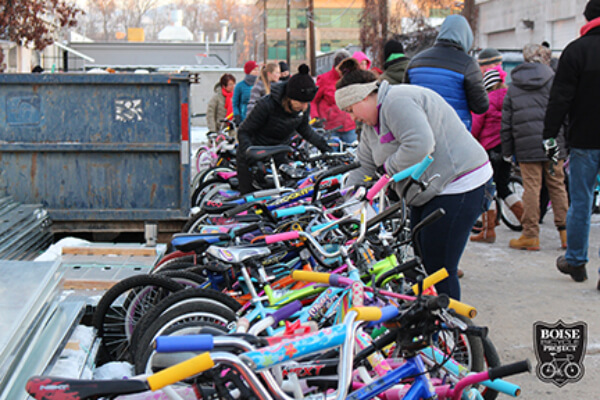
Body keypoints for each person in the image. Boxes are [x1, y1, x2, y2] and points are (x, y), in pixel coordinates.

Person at [336, 59, 491, 301]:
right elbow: (365, 167)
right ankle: (426, 319)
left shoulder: (397, 101)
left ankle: (450, 327)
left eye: (350, 110)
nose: (352, 118)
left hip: (459, 183)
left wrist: (387, 171)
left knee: (438, 266)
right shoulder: (370, 127)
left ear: (363, 98)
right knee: (420, 260)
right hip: (428, 190)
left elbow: (420, 145)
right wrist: (346, 200)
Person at [543, 0, 600, 286]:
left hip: (585, 139)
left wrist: (549, 134)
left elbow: (560, 98)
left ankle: (576, 261)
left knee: (581, 201)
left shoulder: (576, 51)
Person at [501, 44, 569, 251]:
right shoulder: (554, 80)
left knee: (531, 188)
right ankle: (567, 235)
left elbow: (507, 122)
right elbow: (564, 111)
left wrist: (507, 151)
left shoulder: (514, 85)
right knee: (557, 185)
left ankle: (530, 235)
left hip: (525, 144)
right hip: (552, 142)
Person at [236, 64, 331, 194]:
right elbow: (244, 131)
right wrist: (252, 155)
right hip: (253, 153)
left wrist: (326, 148)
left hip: (278, 154)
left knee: (286, 193)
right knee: (251, 197)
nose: (304, 107)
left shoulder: (302, 108)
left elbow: (305, 130)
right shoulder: (267, 105)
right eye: (300, 102)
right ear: (289, 97)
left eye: (306, 103)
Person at [405, 14, 489, 131]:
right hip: (454, 135)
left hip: (421, 132)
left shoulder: (415, 61)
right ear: (466, 36)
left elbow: (405, 99)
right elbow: (480, 106)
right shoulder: (468, 64)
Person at [470, 69, 523, 243]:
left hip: (489, 150)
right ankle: (527, 223)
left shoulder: (486, 100)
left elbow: (476, 126)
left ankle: (488, 231)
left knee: (487, 189)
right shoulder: (511, 98)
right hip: (507, 148)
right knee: (503, 185)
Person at [311, 49, 356, 144]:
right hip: (330, 128)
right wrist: (315, 118)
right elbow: (313, 100)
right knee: (331, 155)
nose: (343, 72)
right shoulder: (324, 79)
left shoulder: (352, 79)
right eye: (341, 69)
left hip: (350, 126)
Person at [233, 60, 260, 125]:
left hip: (258, 117)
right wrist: (237, 115)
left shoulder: (260, 85)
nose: (257, 72)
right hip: (244, 118)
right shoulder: (240, 86)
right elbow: (235, 103)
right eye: (254, 70)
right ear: (248, 71)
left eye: (257, 70)